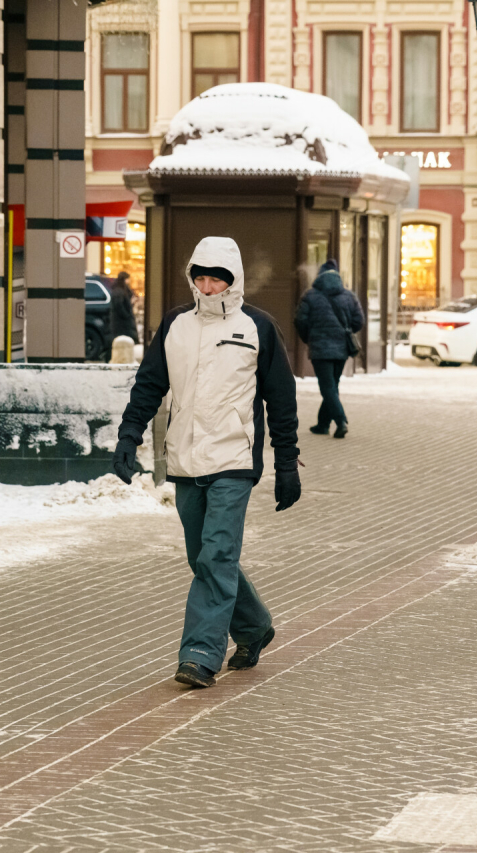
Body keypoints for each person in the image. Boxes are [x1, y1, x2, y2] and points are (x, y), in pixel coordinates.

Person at [112, 236, 301, 689]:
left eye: (217, 277)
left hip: (234, 458)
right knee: (203, 556)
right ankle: (254, 627)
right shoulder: (176, 324)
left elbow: (282, 398)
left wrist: (288, 462)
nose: (208, 285)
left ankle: (199, 654)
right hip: (185, 457)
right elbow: (149, 384)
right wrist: (127, 436)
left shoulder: (258, 327)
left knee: (217, 553)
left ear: (232, 280)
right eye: (200, 276)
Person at [294, 259, 364, 439]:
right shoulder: (348, 296)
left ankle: (341, 421)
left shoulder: (310, 296)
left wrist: (308, 338)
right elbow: (359, 321)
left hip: (320, 348)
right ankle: (323, 424)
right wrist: (346, 331)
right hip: (341, 349)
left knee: (328, 388)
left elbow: (300, 320)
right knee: (332, 386)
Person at [108, 271, 139, 345]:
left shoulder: (120, 290)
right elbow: (119, 305)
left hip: (122, 321)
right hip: (122, 322)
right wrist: (126, 315)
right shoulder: (119, 291)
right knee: (124, 341)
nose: (129, 281)